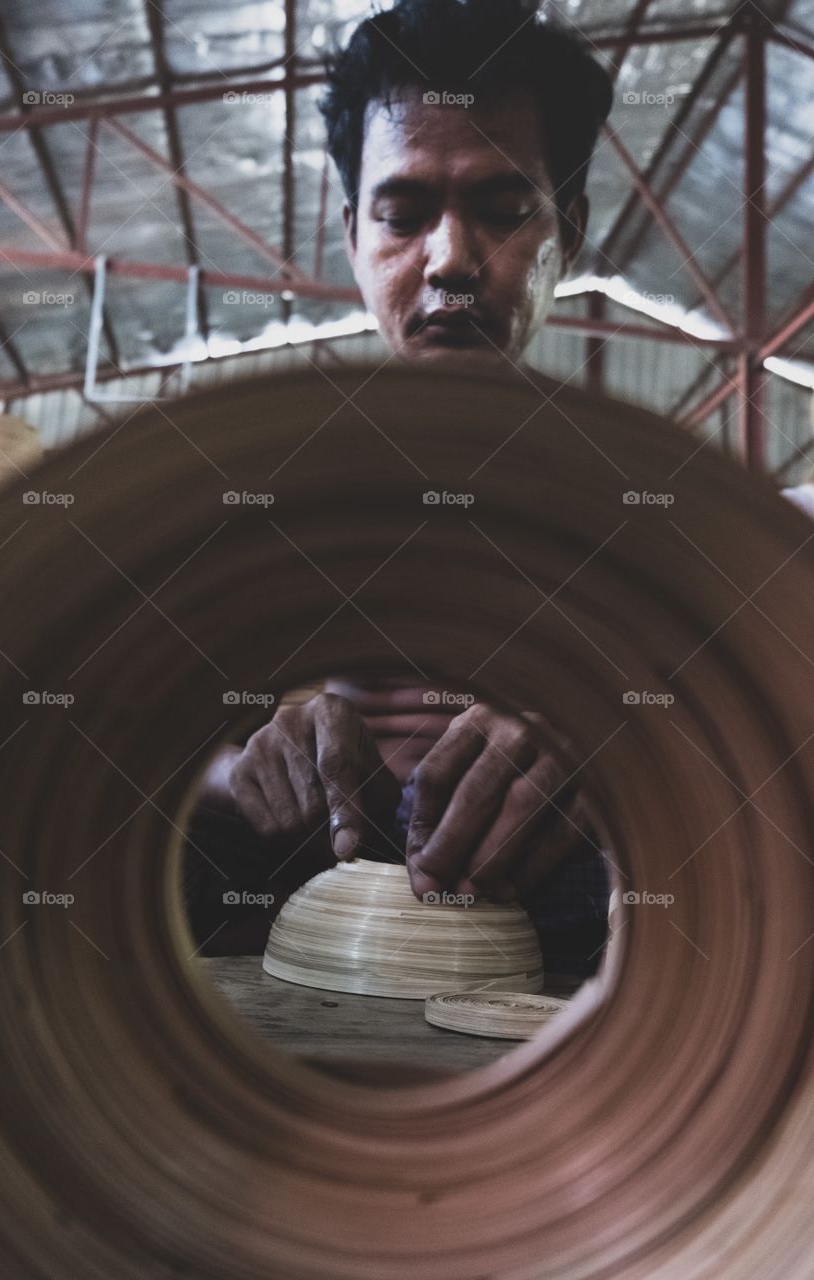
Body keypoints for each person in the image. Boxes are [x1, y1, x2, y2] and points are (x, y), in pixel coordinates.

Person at [183, 0, 810, 977]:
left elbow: (759, 742)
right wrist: (240, 770)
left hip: (564, 928)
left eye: (501, 207)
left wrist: (617, 746)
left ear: (567, 230)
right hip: (307, 921)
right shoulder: (253, 495)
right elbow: (116, 735)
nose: (449, 261)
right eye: (403, 213)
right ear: (353, 233)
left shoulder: (657, 508)